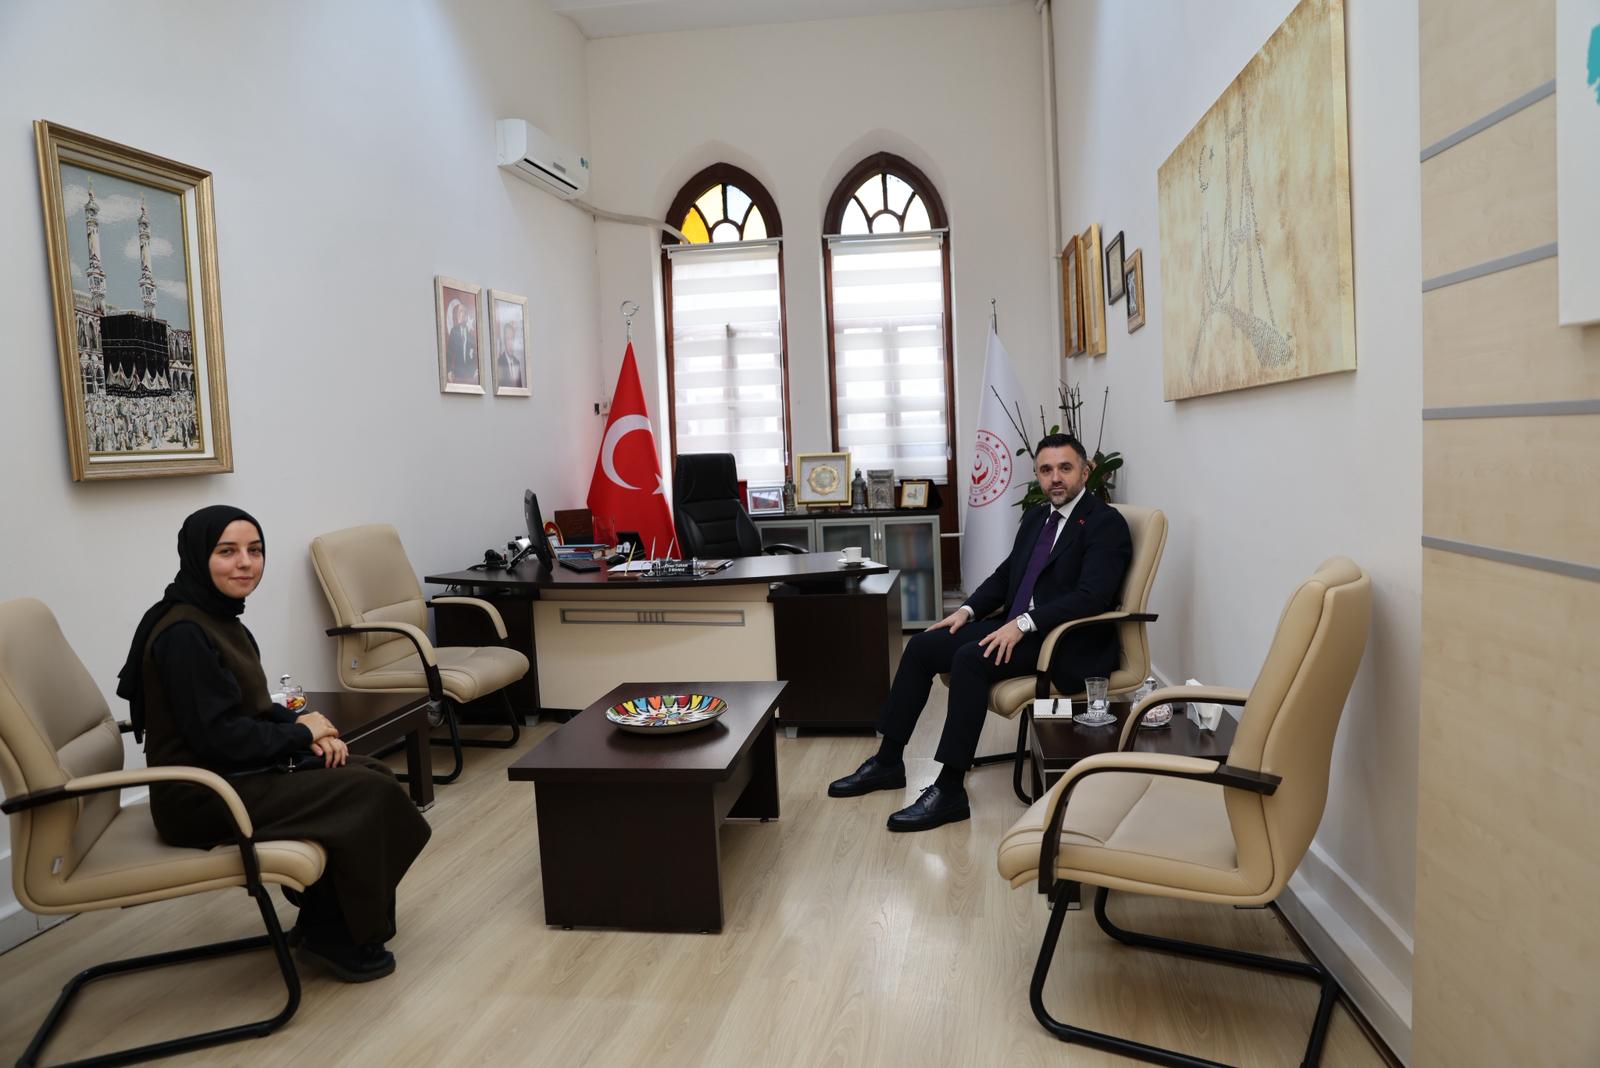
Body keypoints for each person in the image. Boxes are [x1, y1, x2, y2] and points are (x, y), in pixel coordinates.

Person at [116, 506, 432, 981]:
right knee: (367, 793)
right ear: (198, 556)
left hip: (231, 775)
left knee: (372, 772)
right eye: (227, 551)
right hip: (201, 796)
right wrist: (302, 734)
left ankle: (329, 917)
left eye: (255, 550)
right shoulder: (184, 634)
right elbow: (219, 737)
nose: (245, 562)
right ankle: (336, 935)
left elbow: (249, 709)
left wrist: (308, 730)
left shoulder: (217, 616)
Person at [828, 433, 1132, 831]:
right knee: (922, 646)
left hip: (1063, 641)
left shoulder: (1105, 523)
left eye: (1065, 468)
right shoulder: (1038, 517)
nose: (1055, 478)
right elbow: (1007, 574)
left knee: (970, 659)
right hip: (1017, 627)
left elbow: (1092, 597)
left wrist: (1022, 624)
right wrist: (967, 610)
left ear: (1085, 471)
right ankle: (888, 762)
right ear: (1037, 475)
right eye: (1046, 470)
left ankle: (950, 789)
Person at [446, 302, 477, 384]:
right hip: (456, 374)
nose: (459, 314)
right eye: (458, 312)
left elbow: (474, 357)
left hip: (469, 375)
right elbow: (449, 354)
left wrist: (476, 370)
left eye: (461, 311)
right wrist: (449, 371)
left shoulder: (471, 336)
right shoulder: (454, 331)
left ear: (466, 316)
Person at [496, 319, 525, 389]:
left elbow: (520, 389)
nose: (510, 343)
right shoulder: (499, 362)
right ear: (504, 341)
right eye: (508, 339)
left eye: (512, 339)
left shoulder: (517, 362)